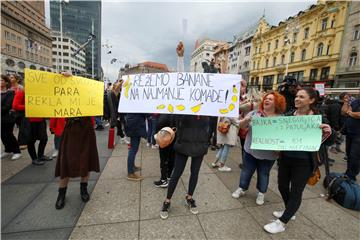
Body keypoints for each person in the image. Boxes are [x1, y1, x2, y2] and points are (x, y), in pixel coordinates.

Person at [263, 87, 334, 234]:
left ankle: (282, 222)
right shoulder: (289, 115)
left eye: (302, 97)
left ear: (312, 100)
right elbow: (279, 132)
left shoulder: (319, 117)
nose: (297, 99)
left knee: (296, 191)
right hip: (286, 158)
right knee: (282, 186)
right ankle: (290, 210)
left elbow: (330, 140)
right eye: (296, 96)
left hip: (305, 162)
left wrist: (329, 132)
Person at [55, 72, 100, 210]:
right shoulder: (67, 93)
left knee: (86, 159)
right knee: (66, 162)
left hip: (86, 130)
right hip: (70, 129)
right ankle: (61, 193)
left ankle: (83, 189)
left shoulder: (88, 93)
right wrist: (67, 79)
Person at [232, 92, 286, 205]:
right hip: (250, 151)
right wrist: (246, 120)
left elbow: (283, 137)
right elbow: (241, 126)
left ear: (277, 103)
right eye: (266, 98)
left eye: (271, 99)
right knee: (246, 171)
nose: (266, 100)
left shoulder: (282, 119)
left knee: (264, 174)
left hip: (269, 155)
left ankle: (261, 193)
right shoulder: (255, 113)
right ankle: (242, 188)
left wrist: (280, 148)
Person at [160, 115, 209, 219]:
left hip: (200, 146)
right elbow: (173, 120)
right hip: (183, 145)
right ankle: (167, 200)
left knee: (195, 173)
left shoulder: (208, 109)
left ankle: (189, 197)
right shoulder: (184, 107)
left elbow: (210, 127)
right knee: (176, 173)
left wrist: (206, 142)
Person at [12, 84, 51, 165]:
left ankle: (40, 155)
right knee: (31, 141)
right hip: (28, 121)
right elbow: (15, 106)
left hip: (40, 119)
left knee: (44, 139)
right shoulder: (21, 92)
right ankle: (34, 158)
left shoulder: (39, 93)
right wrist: (30, 106)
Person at [1, 74, 21, 160]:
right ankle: (7, 150)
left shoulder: (10, 92)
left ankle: (17, 151)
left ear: (6, 82)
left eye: (1, 80)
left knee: (8, 135)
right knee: (2, 135)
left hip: (7, 118)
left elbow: (7, 106)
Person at [153, 114, 177, 188]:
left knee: (164, 159)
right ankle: (169, 175)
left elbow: (159, 126)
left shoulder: (164, 114)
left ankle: (163, 180)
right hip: (174, 139)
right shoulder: (178, 112)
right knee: (172, 157)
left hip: (165, 139)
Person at [341, 94, 360, 181]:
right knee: (349, 154)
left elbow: (358, 114)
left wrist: (350, 113)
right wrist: (346, 102)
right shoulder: (356, 101)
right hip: (350, 132)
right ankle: (348, 173)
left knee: (355, 156)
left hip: (358, 135)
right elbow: (344, 112)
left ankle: (351, 176)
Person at [124, 113, 146, 181]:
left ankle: (132, 167)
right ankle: (130, 173)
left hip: (134, 124)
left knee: (134, 148)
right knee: (133, 149)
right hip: (135, 125)